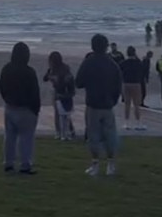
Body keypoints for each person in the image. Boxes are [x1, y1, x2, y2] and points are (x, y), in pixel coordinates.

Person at [76, 34, 122, 177]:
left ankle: (95, 164)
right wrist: (113, 100)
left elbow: (78, 82)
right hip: (108, 104)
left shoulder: (88, 62)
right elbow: (118, 84)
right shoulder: (112, 63)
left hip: (93, 104)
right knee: (110, 135)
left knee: (93, 136)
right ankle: (111, 165)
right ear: (106, 46)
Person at [0, 42, 41, 175]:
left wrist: (7, 99)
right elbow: (35, 92)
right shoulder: (29, 72)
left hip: (10, 107)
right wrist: (35, 109)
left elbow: (2, 87)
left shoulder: (6, 69)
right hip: (26, 109)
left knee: (9, 137)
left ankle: (8, 164)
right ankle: (25, 165)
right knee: (26, 139)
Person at [43, 51, 76, 140]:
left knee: (64, 113)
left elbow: (66, 82)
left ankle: (67, 131)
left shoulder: (64, 69)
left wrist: (55, 80)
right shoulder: (52, 69)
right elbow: (45, 78)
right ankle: (60, 132)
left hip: (63, 93)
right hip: (56, 92)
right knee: (59, 113)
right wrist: (50, 75)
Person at [120, 46, 146, 130]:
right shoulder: (138, 63)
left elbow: (120, 72)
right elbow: (142, 73)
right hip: (136, 83)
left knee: (127, 104)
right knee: (136, 105)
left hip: (126, 83)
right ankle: (137, 123)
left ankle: (126, 123)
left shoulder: (123, 63)